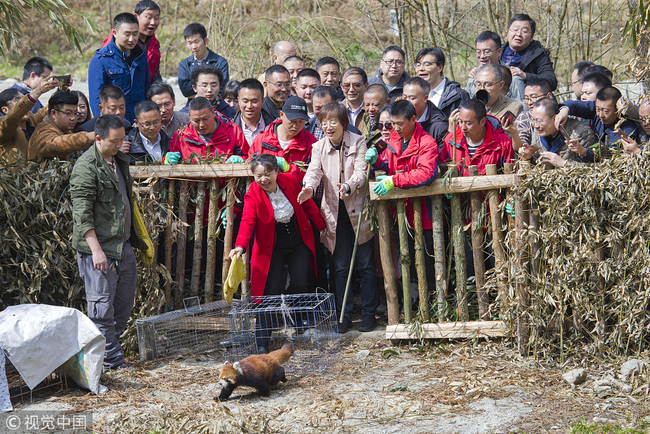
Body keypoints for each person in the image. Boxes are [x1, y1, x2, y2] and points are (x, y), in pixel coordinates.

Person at [70, 113, 149, 371]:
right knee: (101, 309)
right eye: (114, 141)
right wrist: (96, 251)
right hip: (100, 250)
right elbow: (82, 214)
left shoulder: (119, 161)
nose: (119, 145)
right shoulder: (85, 167)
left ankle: (101, 357)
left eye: (121, 140)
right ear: (98, 138)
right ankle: (113, 362)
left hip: (122, 246)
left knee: (122, 306)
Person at [229, 154, 325, 350]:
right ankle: (262, 342)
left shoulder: (289, 180)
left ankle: (297, 323)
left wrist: (321, 226)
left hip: (297, 241)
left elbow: (306, 203)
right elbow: (248, 221)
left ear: (276, 172)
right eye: (258, 175)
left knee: (300, 282)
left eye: (268, 174)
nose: (263, 179)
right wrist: (240, 246)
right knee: (269, 292)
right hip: (271, 247)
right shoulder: (252, 193)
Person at [299, 102, 377, 333]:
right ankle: (342, 313)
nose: (328, 126)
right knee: (340, 266)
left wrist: (350, 186)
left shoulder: (358, 141)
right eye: (324, 122)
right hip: (335, 215)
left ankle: (369, 314)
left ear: (344, 122)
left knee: (365, 265)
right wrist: (309, 188)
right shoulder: (318, 147)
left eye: (333, 121)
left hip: (358, 211)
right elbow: (313, 172)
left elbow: (362, 171)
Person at [366, 100, 440, 306]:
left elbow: (426, 174)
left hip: (424, 215)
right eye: (392, 124)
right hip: (400, 215)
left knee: (426, 264)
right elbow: (388, 165)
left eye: (400, 123)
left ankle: (430, 307)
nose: (396, 128)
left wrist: (394, 180)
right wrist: (377, 163)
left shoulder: (427, 143)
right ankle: (411, 306)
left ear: (413, 119)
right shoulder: (393, 141)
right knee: (405, 262)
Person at [88, 13, 150, 124]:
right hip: (115, 124)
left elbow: (147, 90)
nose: (131, 39)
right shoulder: (100, 60)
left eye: (135, 34)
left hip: (140, 123)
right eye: (127, 34)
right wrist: (106, 127)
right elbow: (96, 101)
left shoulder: (141, 56)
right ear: (115, 33)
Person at [246, 96, 317, 183]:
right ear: (281, 115)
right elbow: (251, 167)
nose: (296, 126)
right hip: (265, 193)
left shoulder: (310, 142)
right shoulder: (263, 139)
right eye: (292, 121)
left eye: (301, 122)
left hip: (296, 194)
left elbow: (314, 175)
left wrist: (289, 168)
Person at [516, 97, 598, 167]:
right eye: (533, 120)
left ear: (555, 118)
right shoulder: (539, 131)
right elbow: (536, 165)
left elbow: (595, 168)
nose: (535, 125)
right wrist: (528, 158)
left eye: (539, 121)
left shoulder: (582, 133)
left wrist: (563, 163)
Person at [442, 99, 514, 176]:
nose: (463, 127)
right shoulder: (451, 140)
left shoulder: (502, 142)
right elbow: (443, 170)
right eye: (460, 121)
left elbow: (510, 172)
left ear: (483, 121)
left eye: (468, 123)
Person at [557, 86, 648, 147]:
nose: (600, 115)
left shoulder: (627, 128)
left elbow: (609, 152)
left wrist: (583, 151)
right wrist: (564, 111)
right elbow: (574, 105)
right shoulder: (597, 108)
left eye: (605, 111)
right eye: (598, 109)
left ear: (618, 109)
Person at [168, 96, 246, 163]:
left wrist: (241, 159)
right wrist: (167, 160)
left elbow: (248, 157)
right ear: (189, 117)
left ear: (213, 112)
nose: (202, 125)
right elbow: (172, 164)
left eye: (205, 119)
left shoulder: (232, 131)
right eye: (196, 121)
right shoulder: (181, 136)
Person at [0, 76, 59, 162]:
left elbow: (47, 110)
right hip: (14, 175)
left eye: (23, 99)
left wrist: (61, 90)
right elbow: (12, 118)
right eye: (18, 101)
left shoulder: (31, 120)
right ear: (5, 110)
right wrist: (37, 92)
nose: (26, 106)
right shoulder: (4, 127)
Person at [28, 91, 96, 161]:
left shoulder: (64, 130)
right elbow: (54, 145)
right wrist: (89, 137)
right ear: (54, 113)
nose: (73, 118)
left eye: (75, 113)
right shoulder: (43, 131)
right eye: (68, 113)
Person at [499, 14, 558, 94]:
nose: (518, 34)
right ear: (507, 33)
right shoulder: (497, 51)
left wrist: (525, 76)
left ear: (532, 37)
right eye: (515, 29)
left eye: (524, 31)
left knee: (516, 80)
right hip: (497, 97)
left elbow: (551, 81)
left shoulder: (539, 54)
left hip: (526, 99)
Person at [178, 23, 229, 100]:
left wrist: (197, 91)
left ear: (205, 40)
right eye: (190, 43)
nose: (194, 47)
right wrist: (210, 90)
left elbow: (222, 90)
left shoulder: (220, 62)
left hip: (217, 106)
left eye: (196, 42)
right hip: (193, 105)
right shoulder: (184, 64)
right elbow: (185, 91)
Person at [414, 47, 469, 118]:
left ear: (440, 68)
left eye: (427, 64)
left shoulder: (458, 95)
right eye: (418, 65)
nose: (421, 69)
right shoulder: (412, 94)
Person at [402, 77, 448, 147]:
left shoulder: (439, 126)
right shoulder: (398, 117)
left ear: (425, 98)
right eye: (404, 98)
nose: (407, 102)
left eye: (412, 98)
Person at [510, 77, 554, 150]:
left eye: (533, 97)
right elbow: (521, 144)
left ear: (548, 96)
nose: (529, 102)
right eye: (526, 98)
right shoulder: (524, 117)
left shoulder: (563, 114)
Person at [233, 79, 275, 146]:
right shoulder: (230, 128)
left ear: (262, 101)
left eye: (254, 101)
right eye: (245, 101)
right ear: (238, 100)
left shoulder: (274, 126)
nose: (249, 106)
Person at [126, 100, 171, 164]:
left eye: (156, 122)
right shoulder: (128, 145)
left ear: (160, 118)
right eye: (147, 124)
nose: (152, 128)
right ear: (137, 123)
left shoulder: (170, 143)